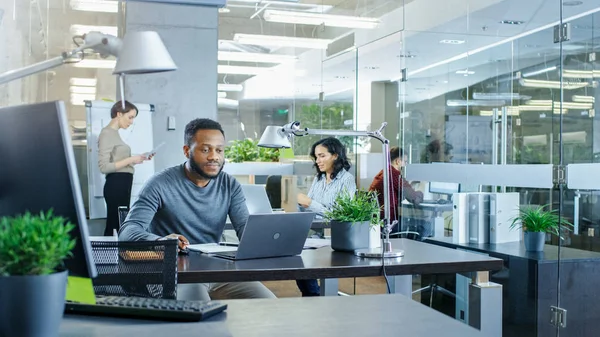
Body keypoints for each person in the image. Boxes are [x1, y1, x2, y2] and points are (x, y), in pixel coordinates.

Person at [119, 118, 276, 301]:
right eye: (205, 149)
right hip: (174, 274)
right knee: (199, 312)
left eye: (219, 150)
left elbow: (245, 229)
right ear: (187, 151)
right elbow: (128, 231)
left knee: (269, 305)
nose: (214, 157)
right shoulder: (159, 184)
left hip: (216, 272)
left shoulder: (230, 185)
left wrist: (272, 238)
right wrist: (161, 241)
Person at [297, 137, 356, 297]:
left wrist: (311, 203)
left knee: (303, 263)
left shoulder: (347, 180)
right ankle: (314, 297)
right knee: (296, 261)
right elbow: (308, 209)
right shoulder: (319, 179)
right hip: (315, 234)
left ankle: (316, 297)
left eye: (322, 156)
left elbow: (341, 215)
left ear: (335, 155)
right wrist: (302, 206)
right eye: (316, 157)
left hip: (334, 237)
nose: (318, 161)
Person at [98, 100, 150, 236]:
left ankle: (117, 256)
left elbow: (118, 162)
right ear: (119, 114)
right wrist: (131, 159)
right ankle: (108, 256)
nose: (132, 121)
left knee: (120, 224)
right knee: (114, 225)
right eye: (130, 117)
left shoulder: (115, 134)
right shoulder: (107, 133)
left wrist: (138, 159)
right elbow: (104, 167)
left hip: (123, 183)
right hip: (116, 184)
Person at [369, 146, 423, 224]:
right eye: (405, 162)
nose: (405, 164)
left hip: (377, 221)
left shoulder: (383, 173)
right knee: (424, 225)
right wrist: (421, 190)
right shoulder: (394, 175)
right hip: (389, 223)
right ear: (398, 161)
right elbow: (413, 197)